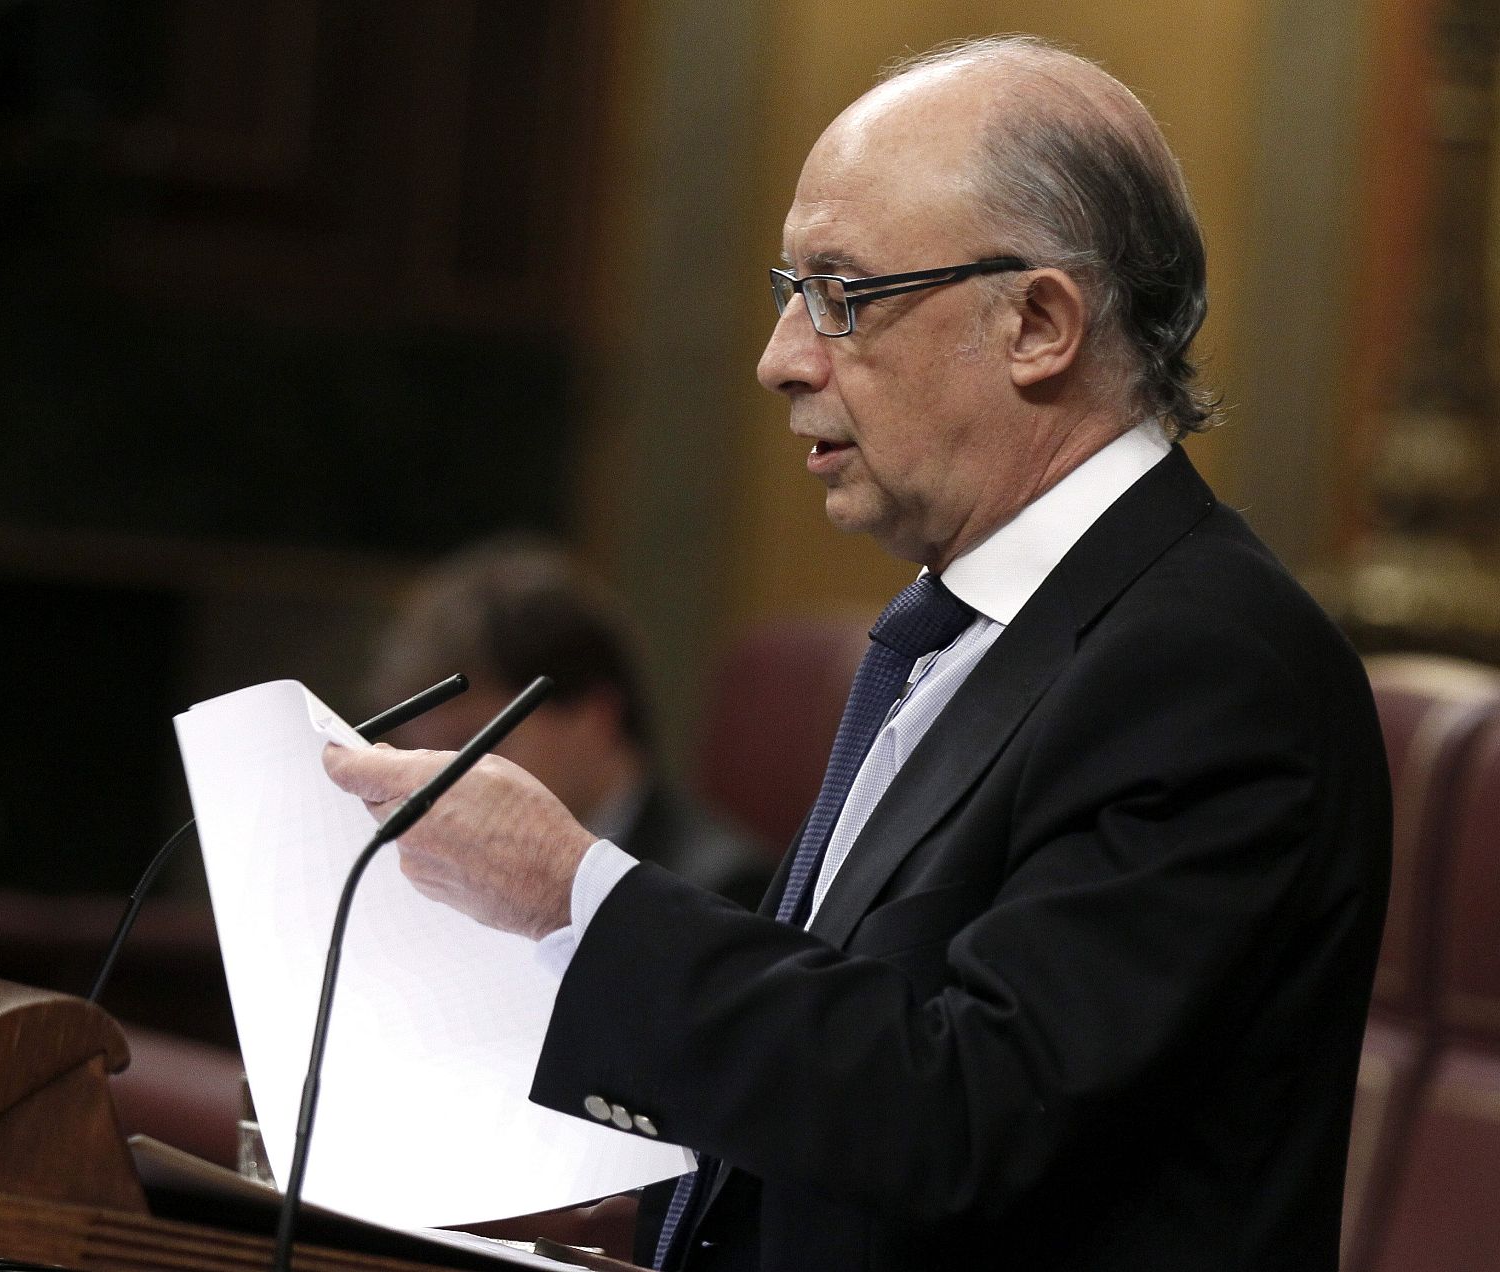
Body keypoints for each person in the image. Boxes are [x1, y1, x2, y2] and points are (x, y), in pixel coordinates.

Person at [326, 35, 1391, 1271]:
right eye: (790, 288)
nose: (781, 357)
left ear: (1039, 323)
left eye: (842, 295)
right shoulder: (973, 630)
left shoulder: (1210, 665)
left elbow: (968, 1115)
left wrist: (575, 891)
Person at [365, 535, 773, 910]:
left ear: (594, 719)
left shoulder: (719, 892)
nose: (437, 784)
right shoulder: (417, 878)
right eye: (422, 753)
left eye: (472, 744)